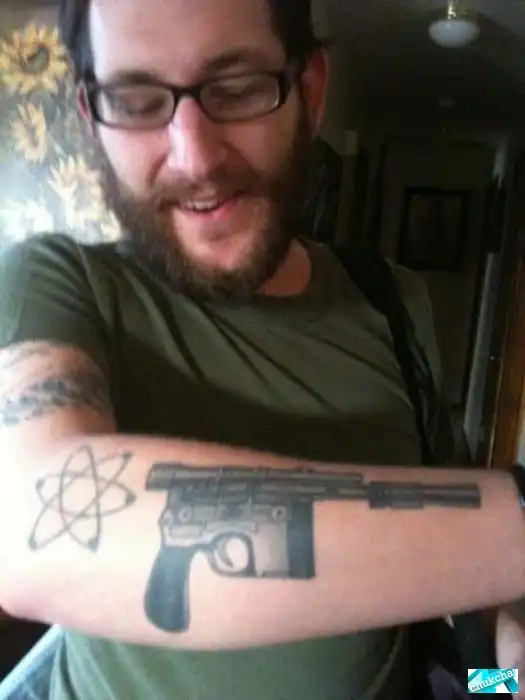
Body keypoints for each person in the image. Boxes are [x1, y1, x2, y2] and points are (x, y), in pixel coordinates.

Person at [0, 1, 525, 699]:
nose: (195, 157)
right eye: (135, 101)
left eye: (238, 87)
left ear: (309, 90)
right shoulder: (58, 285)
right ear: (92, 117)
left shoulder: (395, 304)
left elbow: (467, 589)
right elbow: (35, 531)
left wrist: (502, 673)